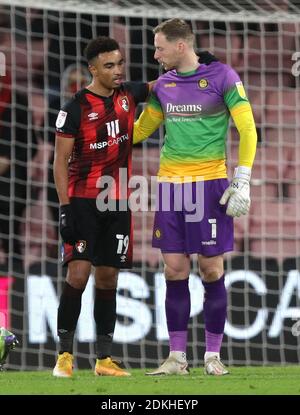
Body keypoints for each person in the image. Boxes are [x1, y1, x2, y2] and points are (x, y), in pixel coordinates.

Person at [133, 18, 257, 376]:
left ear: (181, 46)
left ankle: (212, 356)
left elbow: (248, 129)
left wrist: (243, 177)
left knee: (211, 269)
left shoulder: (223, 78)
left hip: (209, 185)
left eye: (159, 47)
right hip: (171, 187)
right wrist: (108, 132)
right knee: (174, 271)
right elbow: (143, 129)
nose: (155, 54)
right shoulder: (163, 86)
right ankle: (176, 358)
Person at [52, 36, 151, 377]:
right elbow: (59, 162)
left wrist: (198, 65)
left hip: (118, 202)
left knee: (108, 277)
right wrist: (65, 209)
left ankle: (104, 359)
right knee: (78, 274)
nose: (118, 71)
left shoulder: (129, 96)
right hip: (82, 202)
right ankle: (64, 356)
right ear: (92, 69)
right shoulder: (75, 108)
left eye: (120, 63)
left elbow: (165, 83)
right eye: (109, 66)